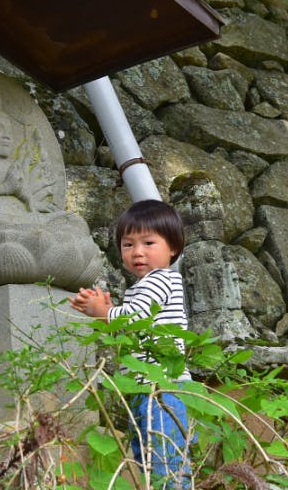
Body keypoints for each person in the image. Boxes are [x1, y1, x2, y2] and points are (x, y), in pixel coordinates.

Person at [69, 199, 193, 488]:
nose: (137, 252)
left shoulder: (159, 279)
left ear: (173, 247)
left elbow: (134, 318)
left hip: (162, 389)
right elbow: (130, 331)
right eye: (128, 245)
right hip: (146, 388)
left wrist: (103, 312)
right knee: (151, 460)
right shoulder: (145, 285)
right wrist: (107, 317)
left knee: (165, 462)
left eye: (148, 242)